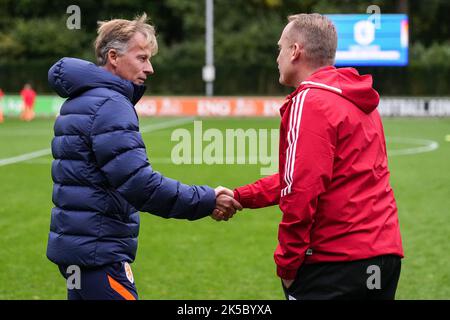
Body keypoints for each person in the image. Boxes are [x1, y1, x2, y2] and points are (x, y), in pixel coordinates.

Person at [46, 13, 241, 300]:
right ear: (113, 56)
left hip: (81, 252)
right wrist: (207, 199)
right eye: (142, 58)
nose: (149, 68)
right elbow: (140, 184)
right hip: (100, 254)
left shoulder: (81, 98)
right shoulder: (111, 104)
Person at [213, 13, 403, 300]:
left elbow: (302, 189)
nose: (277, 57)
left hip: (336, 263)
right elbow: (309, 175)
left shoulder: (309, 100)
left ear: (295, 51)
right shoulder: (360, 99)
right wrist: (242, 196)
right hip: (382, 258)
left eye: (279, 48)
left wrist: (287, 266)